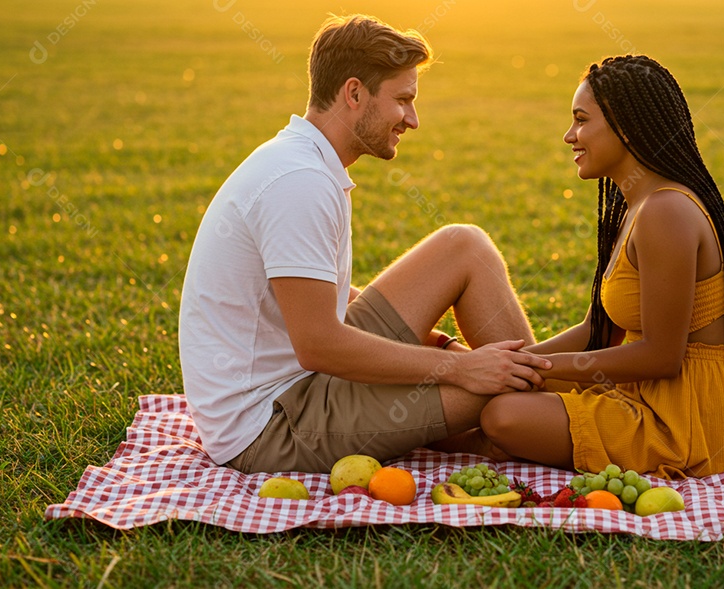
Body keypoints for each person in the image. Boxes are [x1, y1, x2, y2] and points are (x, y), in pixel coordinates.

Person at [178, 14, 550, 475]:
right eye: (403, 100)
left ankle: (534, 414)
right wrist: (460, 370)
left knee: (464, 245)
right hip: (272, 426)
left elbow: (318, 295)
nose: (413, 120)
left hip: (306, 384)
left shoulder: (303, 160)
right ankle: (542, 420)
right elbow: (318, 345)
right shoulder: (299, 181)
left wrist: (439, 345)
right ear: (354, 93)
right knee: (498, 393)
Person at [476, 55, 724, 479]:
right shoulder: (634, 207)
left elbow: (662, 357)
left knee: (502, 415)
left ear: (625, 128)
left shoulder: (666, 211)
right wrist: (505, 362)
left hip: (686, 420)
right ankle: (474, 434)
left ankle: (481, 438)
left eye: (581, 120)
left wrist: (537, 372)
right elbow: (599, 329)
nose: (568, 136)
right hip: (643, 393)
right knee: (490, 395)